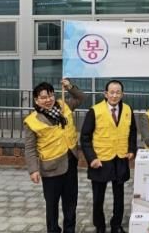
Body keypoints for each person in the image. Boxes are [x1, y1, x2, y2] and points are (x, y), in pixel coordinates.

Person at [23, 78, 85, 233]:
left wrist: (69, 86)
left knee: (71, 202)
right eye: (43, 97)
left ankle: (70, 230)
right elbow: (30, 148)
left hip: (70, 163)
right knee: (52, 205)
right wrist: (33, 170)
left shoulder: (64, 106)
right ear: (36, 100)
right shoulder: (32, 121)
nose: (48, 100)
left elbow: (81, 98)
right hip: (50, 168)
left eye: (50, 95)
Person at [81, 80, 137, 233]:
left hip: (121, 158)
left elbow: (132, 132)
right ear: (105, 94)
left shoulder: (128, 109)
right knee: (98, 197)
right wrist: (91, 158)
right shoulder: (95, 111)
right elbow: (85, 137)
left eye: (118, 92)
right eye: (111, 92)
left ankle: (116, 225)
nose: (114, 95)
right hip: (100, 159)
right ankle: (99, 226)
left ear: (122, 94)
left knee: (119, 196)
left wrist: (132, 149)